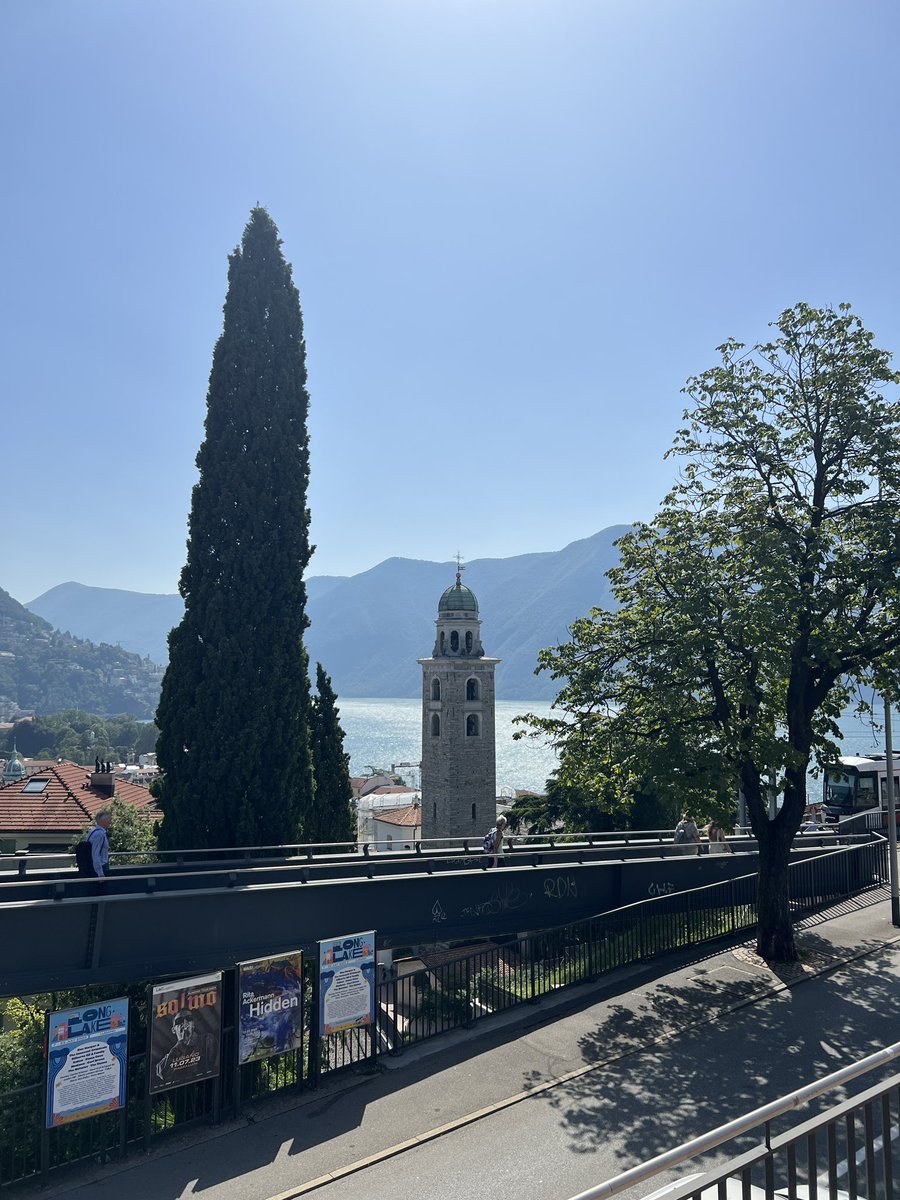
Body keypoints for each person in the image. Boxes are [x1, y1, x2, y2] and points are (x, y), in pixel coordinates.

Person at [154, 1008, 219, 1089]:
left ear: (193, 1024)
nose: (185, 1023)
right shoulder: (168, 1058)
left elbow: (212, 1066)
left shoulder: (207, 1039)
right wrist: (181, 1043)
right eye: (179, 1021)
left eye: (189, 1018)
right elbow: (162, 1073)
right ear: (173, 1030)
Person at [86, 809, 112, 877]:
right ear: (104, 821)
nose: (110, 821)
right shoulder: (99, 835)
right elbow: (95, 854)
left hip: (93, 867)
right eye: (109, 819)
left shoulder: (92, 831)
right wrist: (100, 873)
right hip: (100, 868)